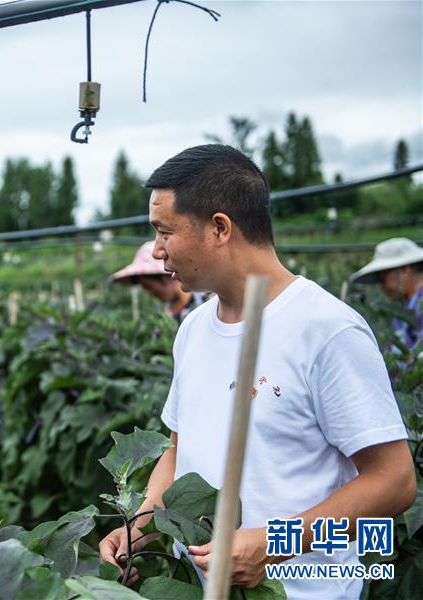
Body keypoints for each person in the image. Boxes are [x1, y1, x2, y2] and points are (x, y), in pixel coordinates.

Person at [98, 145, 416, 599]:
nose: (157, 250)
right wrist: (142, 529)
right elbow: (177, 452)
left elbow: (395, 482)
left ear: (220, 228)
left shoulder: (326, 329)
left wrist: (271, 545)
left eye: (164, 231)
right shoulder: (193, 330)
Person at [350, 237, 423, 352]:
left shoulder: (420, 306)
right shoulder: (400, 312)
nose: (382, 285)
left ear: (405, 269)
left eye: (384, 278)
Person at [109, 240, 205, 322]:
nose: (150, 294)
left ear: (164, 278)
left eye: (149, 287)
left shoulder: (206, 306)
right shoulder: (165, 318)